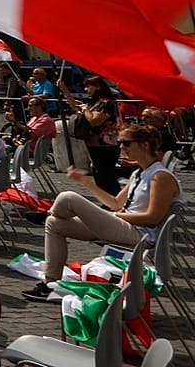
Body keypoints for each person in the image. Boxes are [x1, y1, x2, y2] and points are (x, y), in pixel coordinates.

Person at [22, 123, 184, 302]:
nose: (121, 146)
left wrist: (115, 216)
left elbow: (153, 218)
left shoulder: (160, 177)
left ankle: (46, 213)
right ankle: (51, 285)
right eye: (120, 142)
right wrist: (85, 182)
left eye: (126, 143)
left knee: (67, 197)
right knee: (55, 224)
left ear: (144, 145)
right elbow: (115, 203)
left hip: (140, 234)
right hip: (125, 226)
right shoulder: (139, 173)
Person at [56, 74, 122, 194]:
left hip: (106, 145)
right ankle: (106, 199)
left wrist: (85, 110)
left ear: (97, 87)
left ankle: (114, 199)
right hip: (93, 144)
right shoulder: (94, 103)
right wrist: (64, 90)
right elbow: (75, 107)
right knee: (98, 173)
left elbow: (95, 121)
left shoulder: (106, 103)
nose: (86, 90)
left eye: (88, 87)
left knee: (106, 175)